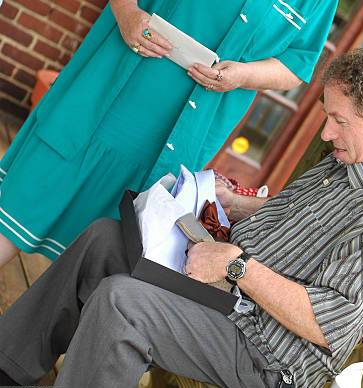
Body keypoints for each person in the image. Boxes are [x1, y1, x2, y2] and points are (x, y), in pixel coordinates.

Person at [0, 48, 363, 388]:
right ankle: (9, 372)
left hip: (265, 352)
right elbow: (296, 219)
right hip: (225, 294)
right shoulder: (353, 158)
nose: (325, 131)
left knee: (122, 305)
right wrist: (237, 205)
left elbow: (328, 325)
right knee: (104, 240)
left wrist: (236, 266)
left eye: (338, 120)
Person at [0, 0, 337, 268]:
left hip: (180, 132)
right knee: (24, 200)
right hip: (111, 90)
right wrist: (127, 12)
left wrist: (244, 75)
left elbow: (296, 65)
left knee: (113, 247)